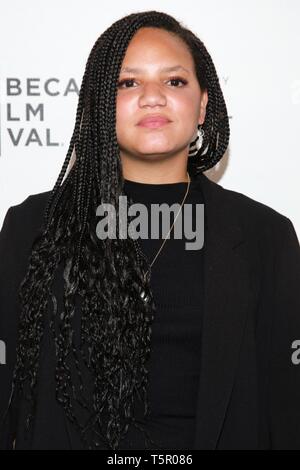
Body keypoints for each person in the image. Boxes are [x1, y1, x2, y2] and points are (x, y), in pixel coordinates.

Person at [0, 10, 300, 450]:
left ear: (202, 106)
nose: (153, 98)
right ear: (99, 106)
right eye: (128, 83)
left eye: (174, 81)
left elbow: (287, 406)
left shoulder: (265, 236)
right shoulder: (30, 227)